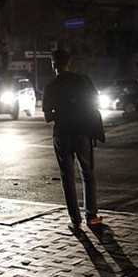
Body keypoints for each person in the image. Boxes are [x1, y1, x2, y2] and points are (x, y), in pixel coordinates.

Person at [43, 49, 103, 232]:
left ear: (53, 64)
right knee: (88, 173)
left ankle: (75, 219)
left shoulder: (52, 86)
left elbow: (47, 116)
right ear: (69, 62)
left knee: (67, 177)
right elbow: (95, 102)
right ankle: (91, 216)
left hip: (62, 133)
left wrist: (61, 112)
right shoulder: (83, 81)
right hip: (82, 131)